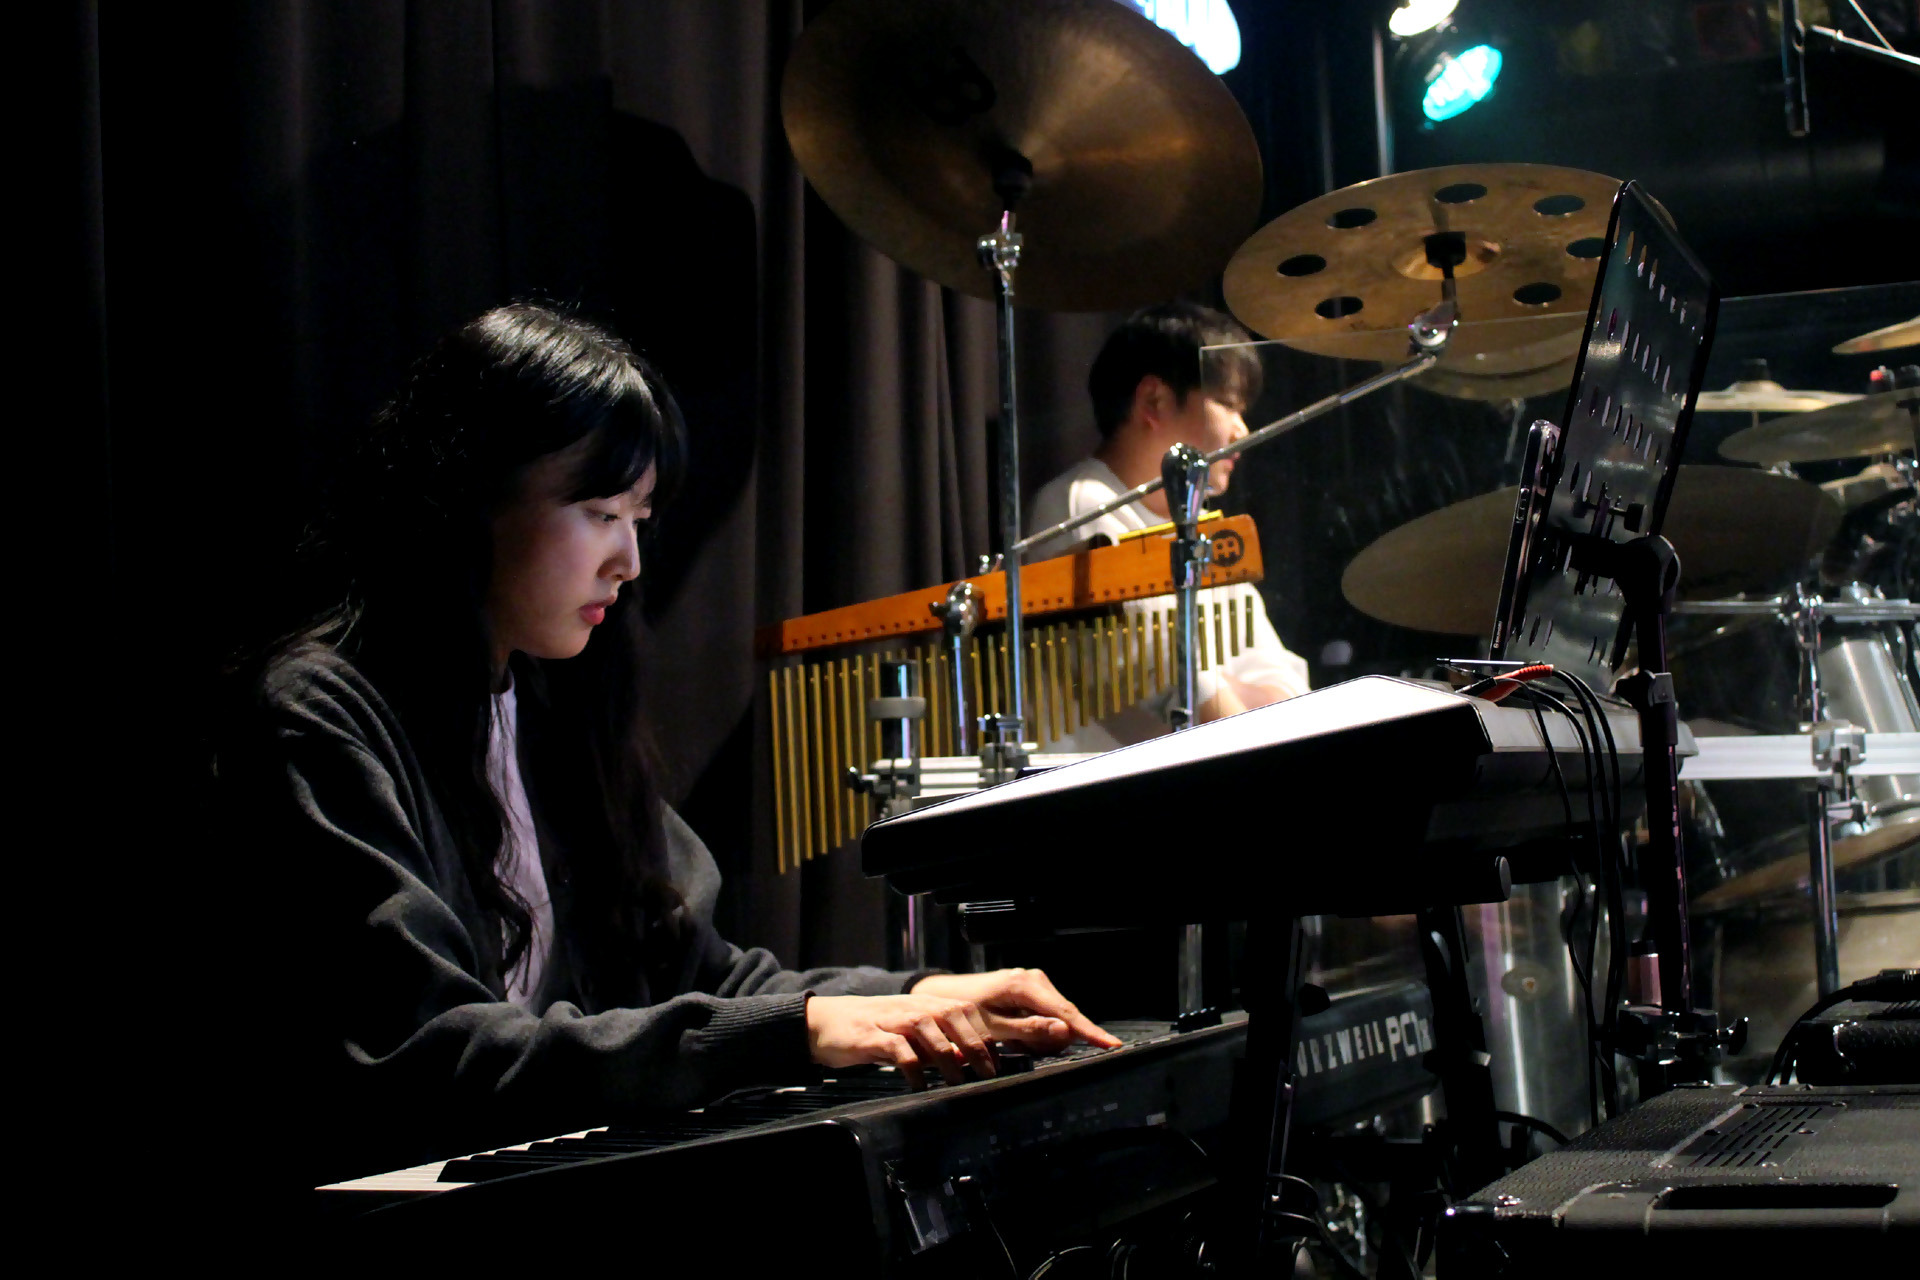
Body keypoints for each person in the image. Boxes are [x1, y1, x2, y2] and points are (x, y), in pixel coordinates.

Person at [216, 302, 1117, 1188]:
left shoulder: (554, 706)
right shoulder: (319, 712)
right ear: (469, 498)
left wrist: (916, 997)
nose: (629, 563)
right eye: (600, 511)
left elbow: (705, 975)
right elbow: (428, 1053)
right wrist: (797, 1029)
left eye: (639, 520)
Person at [1025, 302, 1311, 747]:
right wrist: (1231, 701)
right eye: (1227, 404)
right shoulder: (1080, 507)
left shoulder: (1199, 526)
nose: (1242, 430)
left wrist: (1223, 691)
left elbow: (1284, 680)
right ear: (1153, 401)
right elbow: (1163, 679)